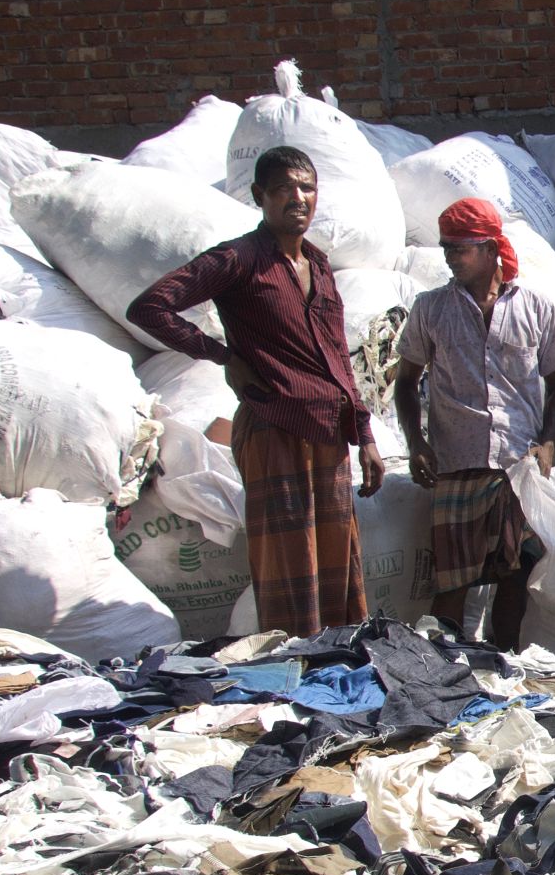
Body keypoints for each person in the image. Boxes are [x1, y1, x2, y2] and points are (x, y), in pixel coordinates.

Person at [129, 145, 385, 638]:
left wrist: (366, 435)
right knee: (290, 572)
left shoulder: (319, 263)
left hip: (329, 434)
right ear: (259, 196)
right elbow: (150, 307)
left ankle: (341, 669)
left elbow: (336, 356)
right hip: (274, 428)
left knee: (338, 565)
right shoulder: (240, 258)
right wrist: (223, 355)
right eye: (285, 187)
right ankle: (296, 677)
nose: (299, 197)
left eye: (307, 187)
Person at [393, 198, 555, 650]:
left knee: (517, 574)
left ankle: (504, 663)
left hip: (518, 465)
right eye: (447, 248)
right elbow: (406, 381)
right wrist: (416, 442)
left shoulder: (536, 307)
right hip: (457, 463)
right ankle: (443, 667)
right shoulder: (431, 309)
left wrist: (549, 443)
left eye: (462, 248)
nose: (451, 258)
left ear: (492, 248)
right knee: (453, 580)